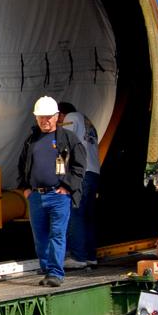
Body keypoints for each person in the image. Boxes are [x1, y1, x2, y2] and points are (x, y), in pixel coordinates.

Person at [16, 96, 86, 287]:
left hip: (58, 196)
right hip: (37, 196)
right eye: (41, 118)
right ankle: (47, 270)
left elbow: (79, 165)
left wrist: (68, 187)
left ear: (56, 117)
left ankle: (55, 273)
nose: (45, 121)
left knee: (57, 234)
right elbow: (22, 165)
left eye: (48, 117)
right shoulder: (31, 140)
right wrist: (26, 188)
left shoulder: (68, 139)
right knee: (40, 236)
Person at [58, 101, 101, 270]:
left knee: (75, 214)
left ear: (61, 114)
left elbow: (63, 144)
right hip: (93, 172)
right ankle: (90, 256)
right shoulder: (88, 123)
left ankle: (78, 256)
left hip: (80, 173)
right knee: (87, 217)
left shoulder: (71, 118)